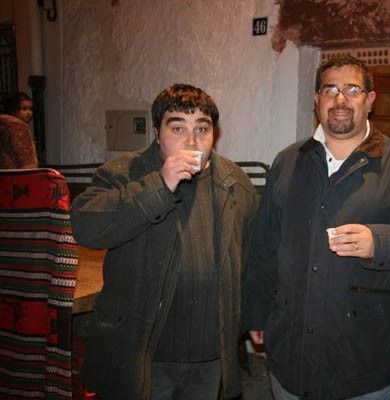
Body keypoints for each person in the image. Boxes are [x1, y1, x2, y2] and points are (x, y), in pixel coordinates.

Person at [244, 56, 390, 400]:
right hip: (290, 353)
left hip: (363, 357)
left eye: (352, 89)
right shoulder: (288, 161)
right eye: (330, 89)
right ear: (317, 99)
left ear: (370, 100)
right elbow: (264, 244)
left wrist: (380, 243)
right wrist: (256, 310)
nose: (340, 99)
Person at [70, 83, 258, 400]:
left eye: (202, 128)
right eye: (177, 128)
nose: (192, 140)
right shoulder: (123, 173)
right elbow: (86, 226)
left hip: (209, 355)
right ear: (157, 133)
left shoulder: (234, 182)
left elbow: (251, 258)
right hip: (143, 354)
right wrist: (160, 184)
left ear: (214, 134)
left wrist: (252, 317)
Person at [0, 91, 37, 168]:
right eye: (24, 109)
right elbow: (24, 158)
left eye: (30, 109)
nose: (29, 113)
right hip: (18, 172)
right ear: (13, 110)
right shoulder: (18, 127)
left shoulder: (4, 125)